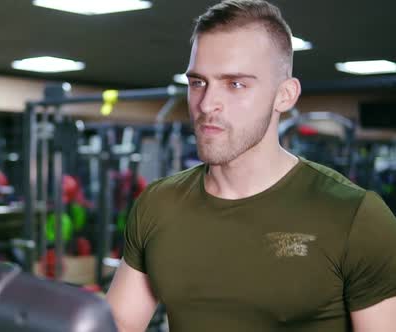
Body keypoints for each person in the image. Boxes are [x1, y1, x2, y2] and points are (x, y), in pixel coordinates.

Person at [105, 0, 396, 331]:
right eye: (198, 82)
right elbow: (118, 326)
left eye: (235, 84)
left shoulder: (356, 217)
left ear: (284, 95)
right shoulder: (158, 204)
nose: (207, 103)